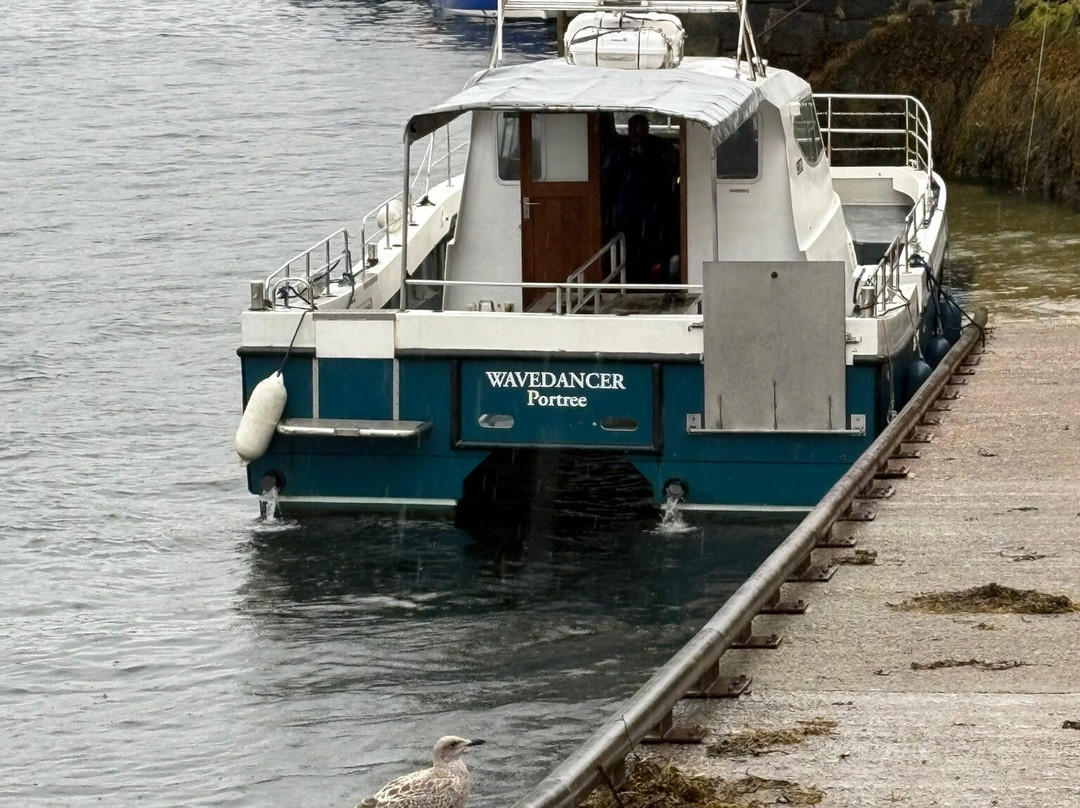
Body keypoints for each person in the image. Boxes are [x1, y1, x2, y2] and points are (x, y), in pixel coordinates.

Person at [603, 114, 678, 285]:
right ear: (629, 129)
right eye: (634, 128)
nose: (638, 133)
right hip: (626, 207)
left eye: (641, 128)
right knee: (627, 245)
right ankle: (630, 279)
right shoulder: (619, 149)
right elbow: (609, 174)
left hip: (653, 205)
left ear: (647, 129)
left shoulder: (657, 146)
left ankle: (649, 278)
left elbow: (671, 165)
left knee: (651, 244)